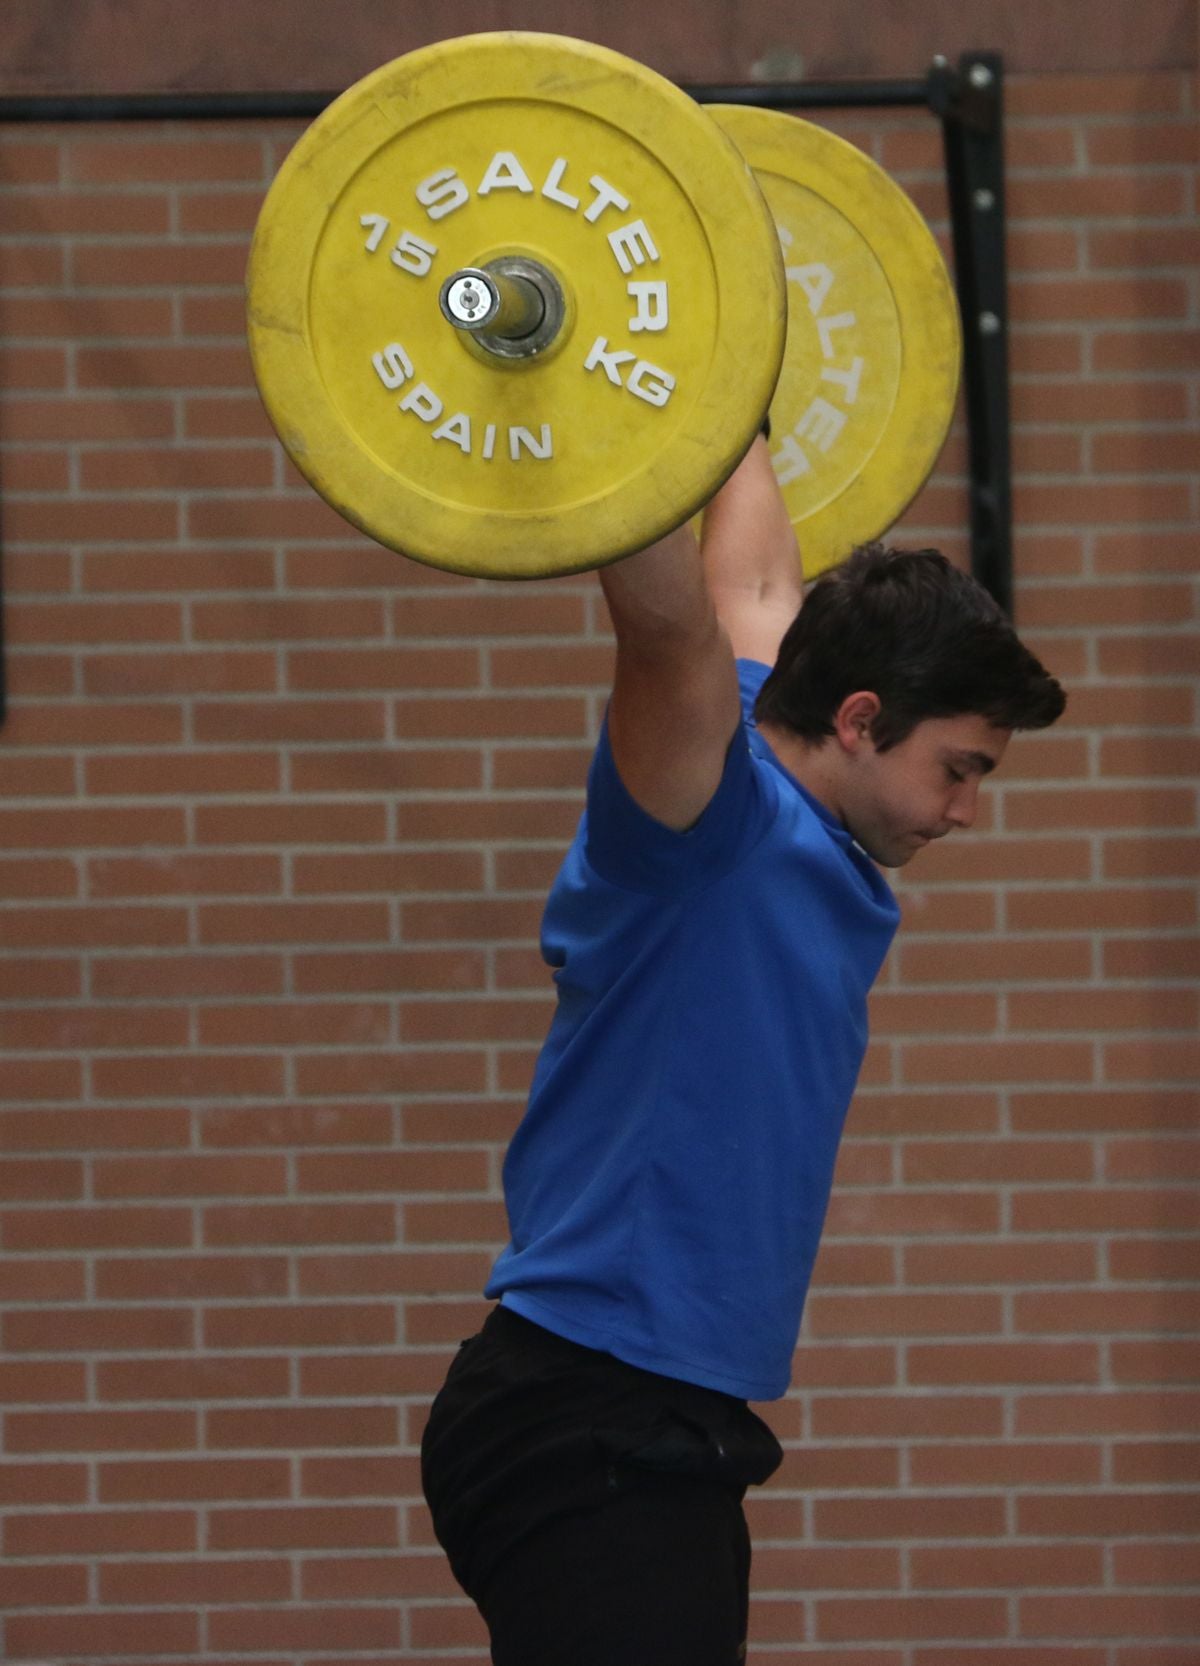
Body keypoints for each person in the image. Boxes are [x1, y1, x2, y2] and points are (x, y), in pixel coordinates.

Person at [420, 433, 1066, 1666]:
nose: (967, 811)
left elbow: (758, 579)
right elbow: (673, 630)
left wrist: (730, 395)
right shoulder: (703, 817)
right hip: (585, 1409)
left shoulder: (801, 782)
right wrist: (622, 409)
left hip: (668, 1421)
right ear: (862, 720)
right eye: (959, 769)